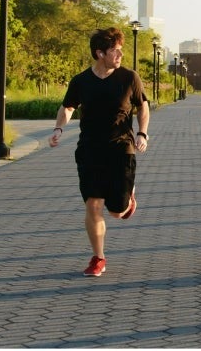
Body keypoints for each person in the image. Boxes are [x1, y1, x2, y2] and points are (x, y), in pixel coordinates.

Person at [49, 27, 150, 277]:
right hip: (90, 150)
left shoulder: (129, 77)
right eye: (115, 50)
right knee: (93, 205)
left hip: (121, 149)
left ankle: (128, 198)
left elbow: (142, 106)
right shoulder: (81, 81)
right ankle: (98, 258)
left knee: (117, 211)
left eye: (120, 49)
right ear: (99, 53)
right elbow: (68, 107)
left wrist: (142, 132)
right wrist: (59, 129)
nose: (120, 54)